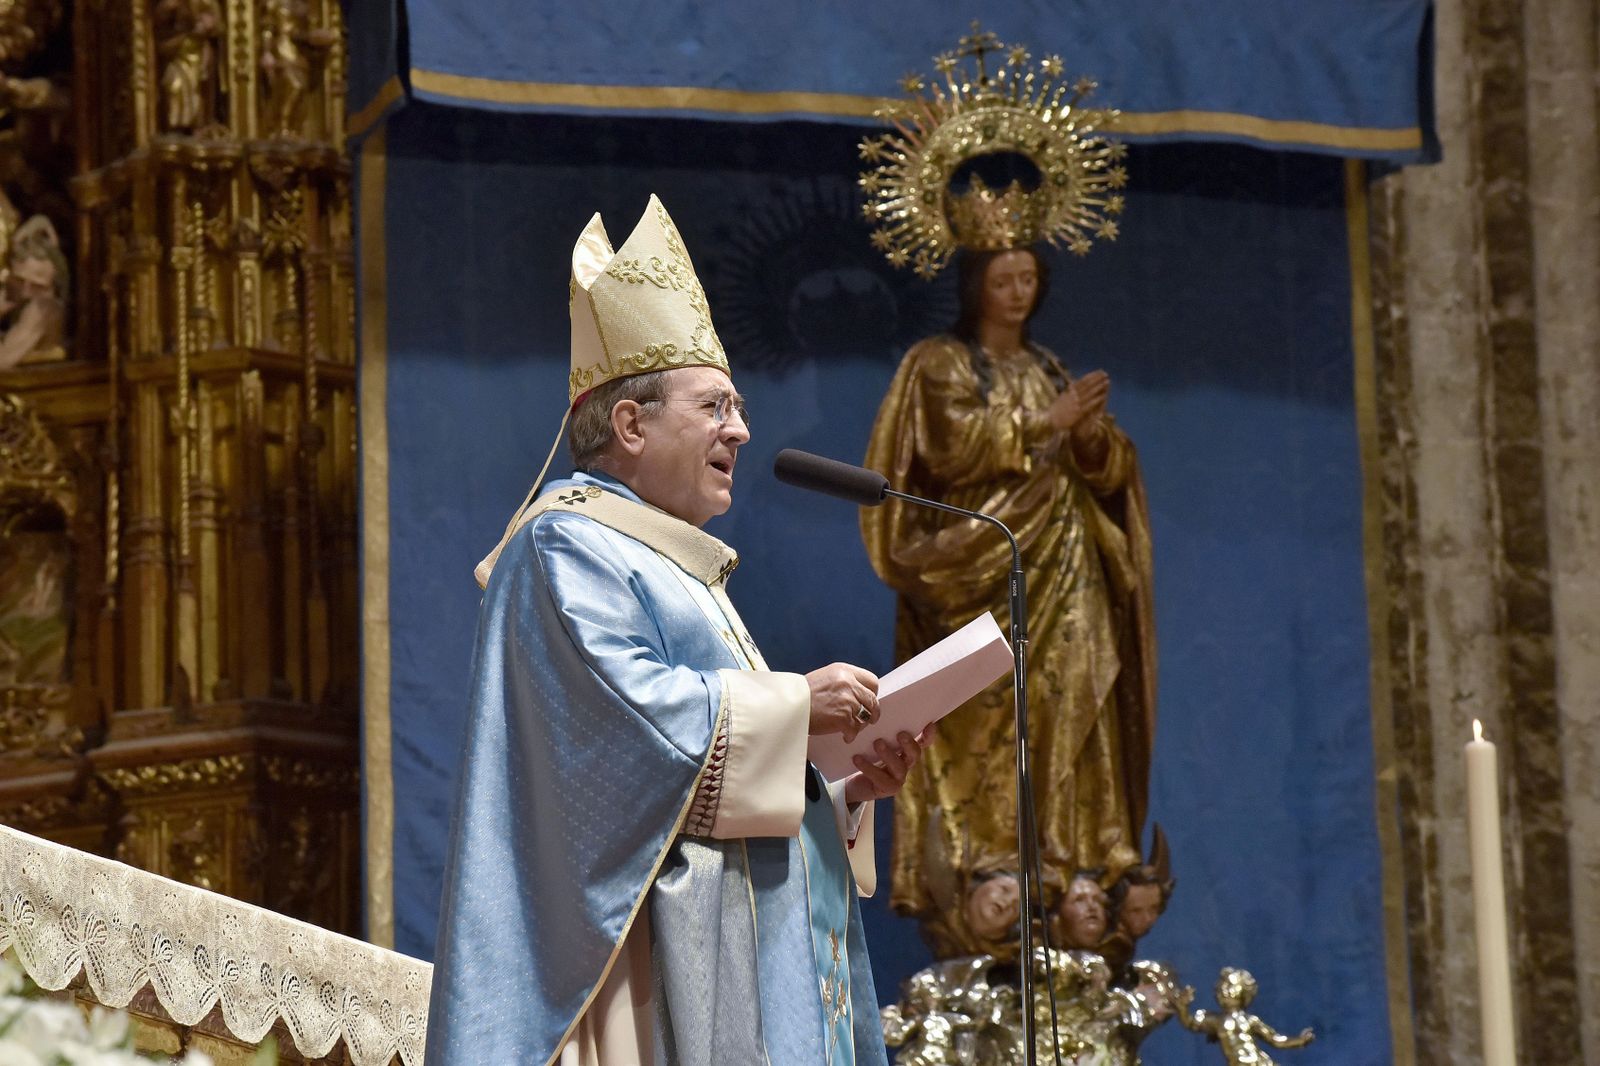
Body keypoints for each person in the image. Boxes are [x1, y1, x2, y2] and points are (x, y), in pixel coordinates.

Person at [425, 195, 926, 1066]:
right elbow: (626, 740)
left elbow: (707, 781)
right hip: (653, 974)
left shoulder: (668, 560)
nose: (742, 428)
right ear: (630, 424)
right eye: (715, 406)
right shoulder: (565, 544)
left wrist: (837, 787)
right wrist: (796, 703)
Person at [860, 245, 1157, 959]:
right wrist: (1046, 423)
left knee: (1073, 700)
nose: (1018, 293)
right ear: (975, 286)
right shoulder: (940, 362)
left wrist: (1090, 438)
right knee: (992, 716)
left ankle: (1073, 862)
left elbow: (1105, 468)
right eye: (1002, 280)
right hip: (978, 566)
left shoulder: (1049, 367)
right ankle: (993, 875)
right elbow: (950, 447)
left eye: (1028, 278)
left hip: (1068, 562)